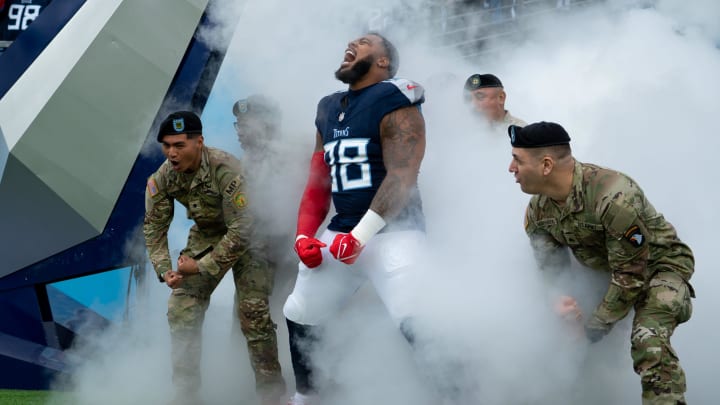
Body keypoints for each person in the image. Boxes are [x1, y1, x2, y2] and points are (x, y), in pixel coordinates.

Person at [282, 32, 427, 405]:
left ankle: (459, 396)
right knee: (300, 311)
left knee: (421, 324)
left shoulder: (396, 99)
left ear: (383, 62)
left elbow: (402, 176)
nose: (352, 44)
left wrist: (362, 235)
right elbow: (318, 180)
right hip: (344, 230)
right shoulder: (328, 107)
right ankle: (307, 397)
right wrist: (303, 236)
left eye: (364, 42)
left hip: (394, 231)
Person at [507, 121, 694, 405]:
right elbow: (551, 269)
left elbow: (631, 276)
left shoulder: (613, 196)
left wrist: (592, 329)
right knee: (557, 340)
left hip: (658, 268)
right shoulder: (538, 210)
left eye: (517, 160)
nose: (511, 169)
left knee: (648, 341)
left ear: (546, 165)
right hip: (608, 273)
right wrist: (559, 301)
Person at [143, 111, 285, 405]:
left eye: (179, 145)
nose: (172, 152)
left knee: (253, 316)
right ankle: (186, 397)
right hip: (207, 235)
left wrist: (202, 266)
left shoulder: (226, 169)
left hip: (250, 239)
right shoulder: (163, 177)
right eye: (166, 145)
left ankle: (272, 396)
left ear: (199, 142)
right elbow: (154, 226)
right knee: (181, 309)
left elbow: (243, 228)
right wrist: (164, 269)